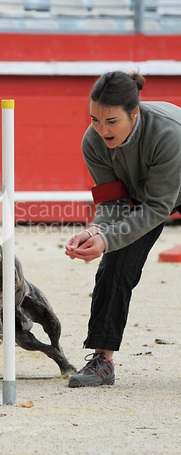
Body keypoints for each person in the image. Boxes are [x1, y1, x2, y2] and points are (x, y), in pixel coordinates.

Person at [65, 70, 181, 388]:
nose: (102, 130)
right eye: (95, 120)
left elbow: (159, 206)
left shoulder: (169, 133)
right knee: (114, 263)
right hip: (146, 196)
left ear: (134, 113)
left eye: (111, 122)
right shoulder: (93, 142)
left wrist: (107, 237)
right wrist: (96, 232)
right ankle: (102, 362)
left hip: (168, 187)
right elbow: (112, 203)